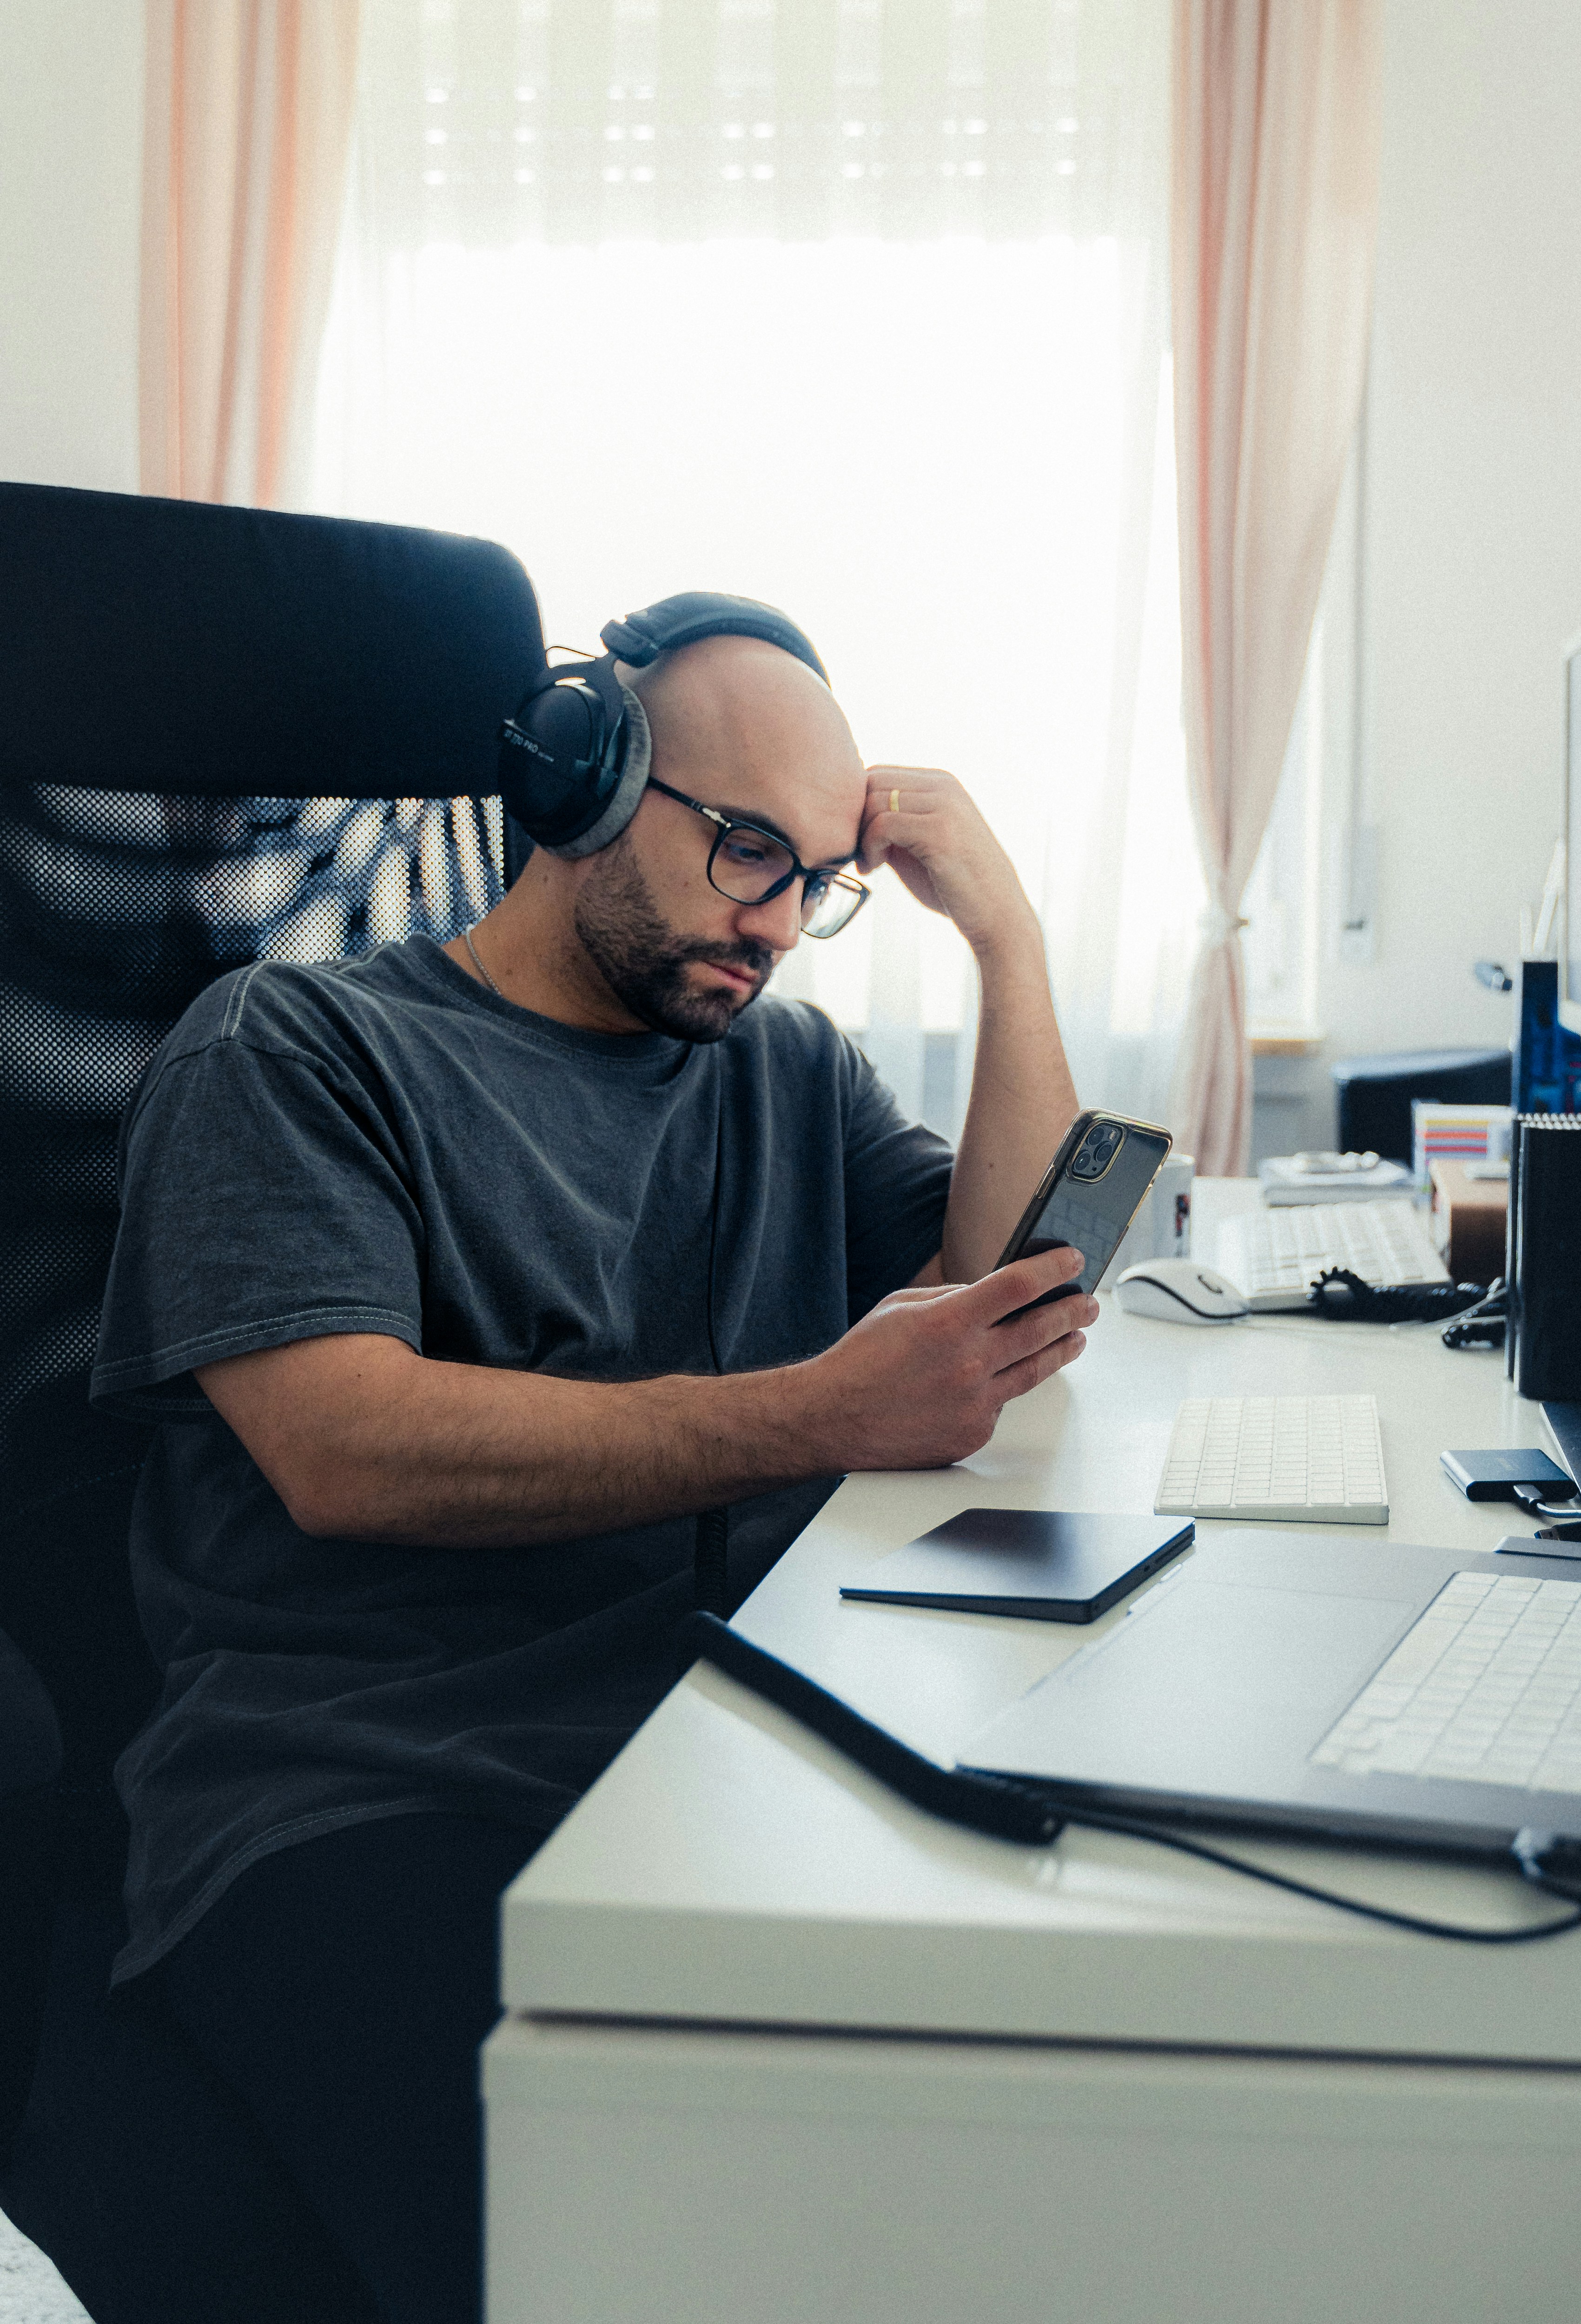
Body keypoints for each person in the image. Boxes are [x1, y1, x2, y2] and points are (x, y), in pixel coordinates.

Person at [83, 611, 1093, 2324]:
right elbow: (349, 1451)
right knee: (633, 2270)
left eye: (813, 880)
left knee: (1010, 2157)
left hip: (722, 1754)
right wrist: (820, 1410)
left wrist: (1008, 939)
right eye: (745, 850)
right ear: (583, 781)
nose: (773, 922)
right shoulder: (292, 1051)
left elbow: (1006, 1294)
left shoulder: (783, 1067)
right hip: (369, 1791)